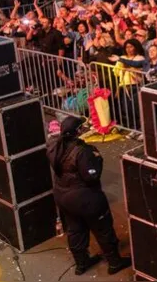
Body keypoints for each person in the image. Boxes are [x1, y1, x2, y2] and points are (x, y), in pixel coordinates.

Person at [46, 117, 131, 276]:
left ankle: (81, 263)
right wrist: (97, 159)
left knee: (75, 229)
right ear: (77, 131)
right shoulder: (83, 151)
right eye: (81, 127)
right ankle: (114, 262)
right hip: (85, 199)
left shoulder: (54, 147)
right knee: (103, 228)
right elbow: (91, 176)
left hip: (63, 197)